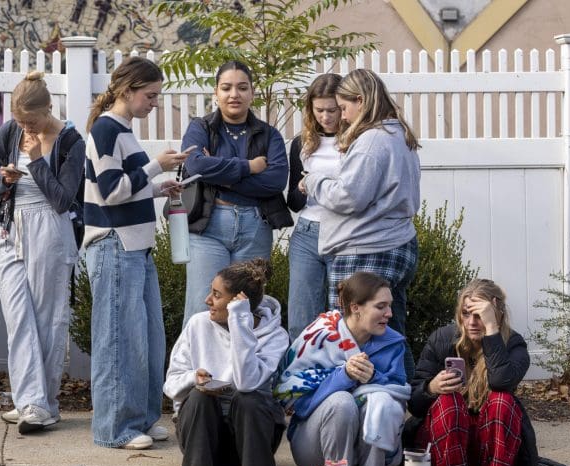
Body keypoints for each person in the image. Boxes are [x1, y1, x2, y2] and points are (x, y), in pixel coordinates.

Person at [84, 56, 188, 450]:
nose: (154, 103)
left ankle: (142, 419)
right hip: (114, 245)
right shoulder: (107, 130)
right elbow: (111, 191)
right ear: (127, 90)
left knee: (146, 338)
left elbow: (123, 187)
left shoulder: (122, 131)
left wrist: (161, 185)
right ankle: (114, 429)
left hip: (135, 247)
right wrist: (154, 168)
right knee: (118, 340)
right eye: (151, 95)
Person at [0, 71, 85, 434]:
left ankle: (43, 404)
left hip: (50, 230)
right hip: (11, 228)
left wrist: (37, 161)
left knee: (48, 320)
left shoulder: (71, 141)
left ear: (49, 109)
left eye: (32, 121)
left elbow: (62, 200)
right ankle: (31, 402)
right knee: (17, 318)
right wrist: (4, 180)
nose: (26, 127)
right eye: (21, 120)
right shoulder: (10, 131)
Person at [299, 68, 420, 377]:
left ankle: (358, 405)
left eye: (344, 107)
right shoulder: (398, 134)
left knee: (352, 335)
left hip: (365, 248)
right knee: (390, 332)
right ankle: (406, 402)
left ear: (361, 101)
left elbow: (349, 197)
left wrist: (314, 181)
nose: (341, 116)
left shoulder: (372, 140)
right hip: (396, 242)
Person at [274, 272, 410, 466]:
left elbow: (400, 392)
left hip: (369, 448)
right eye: (381, 306)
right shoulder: (319, 335)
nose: (389, 313)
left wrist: (373, 378)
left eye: (389, 305)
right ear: (355, 307)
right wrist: (344, 376)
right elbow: (299, 405)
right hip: (314, 446)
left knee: (381, 400)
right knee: (342, 402)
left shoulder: (393, 343)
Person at [165, 259, 288, 466]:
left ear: (237, 303)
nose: (208, 300)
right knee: (199, 398)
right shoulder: (198, 324)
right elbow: (171, 384)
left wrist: (239, 323)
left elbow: (246, 382)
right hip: (203, 442)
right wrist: (193, 379)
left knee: (249, 397)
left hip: (253, 442)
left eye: (217, 295)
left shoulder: (275, 336)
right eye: (211, 291)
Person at [408, 279, 530, 466]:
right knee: (447, 401)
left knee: (502, 399)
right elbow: (414, 403)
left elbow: (502, 382)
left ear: (497, 314)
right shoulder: (442, 340)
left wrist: (492, 332)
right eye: (466, 314)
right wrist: (431, 387)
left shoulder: (513, 344)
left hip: (492, 447)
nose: (473, 323)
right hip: (446, 446)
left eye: (480, 315)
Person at [178, 60, 289, 325]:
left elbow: (275, 181)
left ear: (252, 93)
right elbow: (194, 165)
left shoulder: (269, 135)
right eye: (226, 88)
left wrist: (219, 176)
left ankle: (242, 367)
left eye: (242, 88)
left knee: (246, 308)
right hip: (208, 228)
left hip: (254, 228)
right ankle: (196, 368)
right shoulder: (200, 128)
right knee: (201, 308)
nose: (234, 94)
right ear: (216, 93)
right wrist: (250, 167)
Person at [286, 73, 342, 340]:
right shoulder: (302, 142)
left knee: (341, 317)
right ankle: (297, 378)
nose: (326, 117)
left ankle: (342, 376)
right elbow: (293, 202)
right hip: (307, 231)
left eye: (332, 110)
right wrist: (301, 187)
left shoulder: (357, 142)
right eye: (318, 110)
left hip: (343, 231)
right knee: (300, 318)